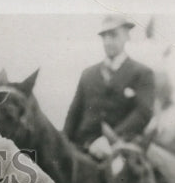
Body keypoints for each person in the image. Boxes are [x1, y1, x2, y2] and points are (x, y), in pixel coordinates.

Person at [64, 14, 156, 159]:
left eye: (113, 35)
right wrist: (63, 145)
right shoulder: (88, 74)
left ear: (126, 36)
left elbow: (143, 113)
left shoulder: (142, 73)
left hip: (120, 150)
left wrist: (109, 140)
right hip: (82, 148)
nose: (107, 41)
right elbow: (74, 113)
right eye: (104, 36)